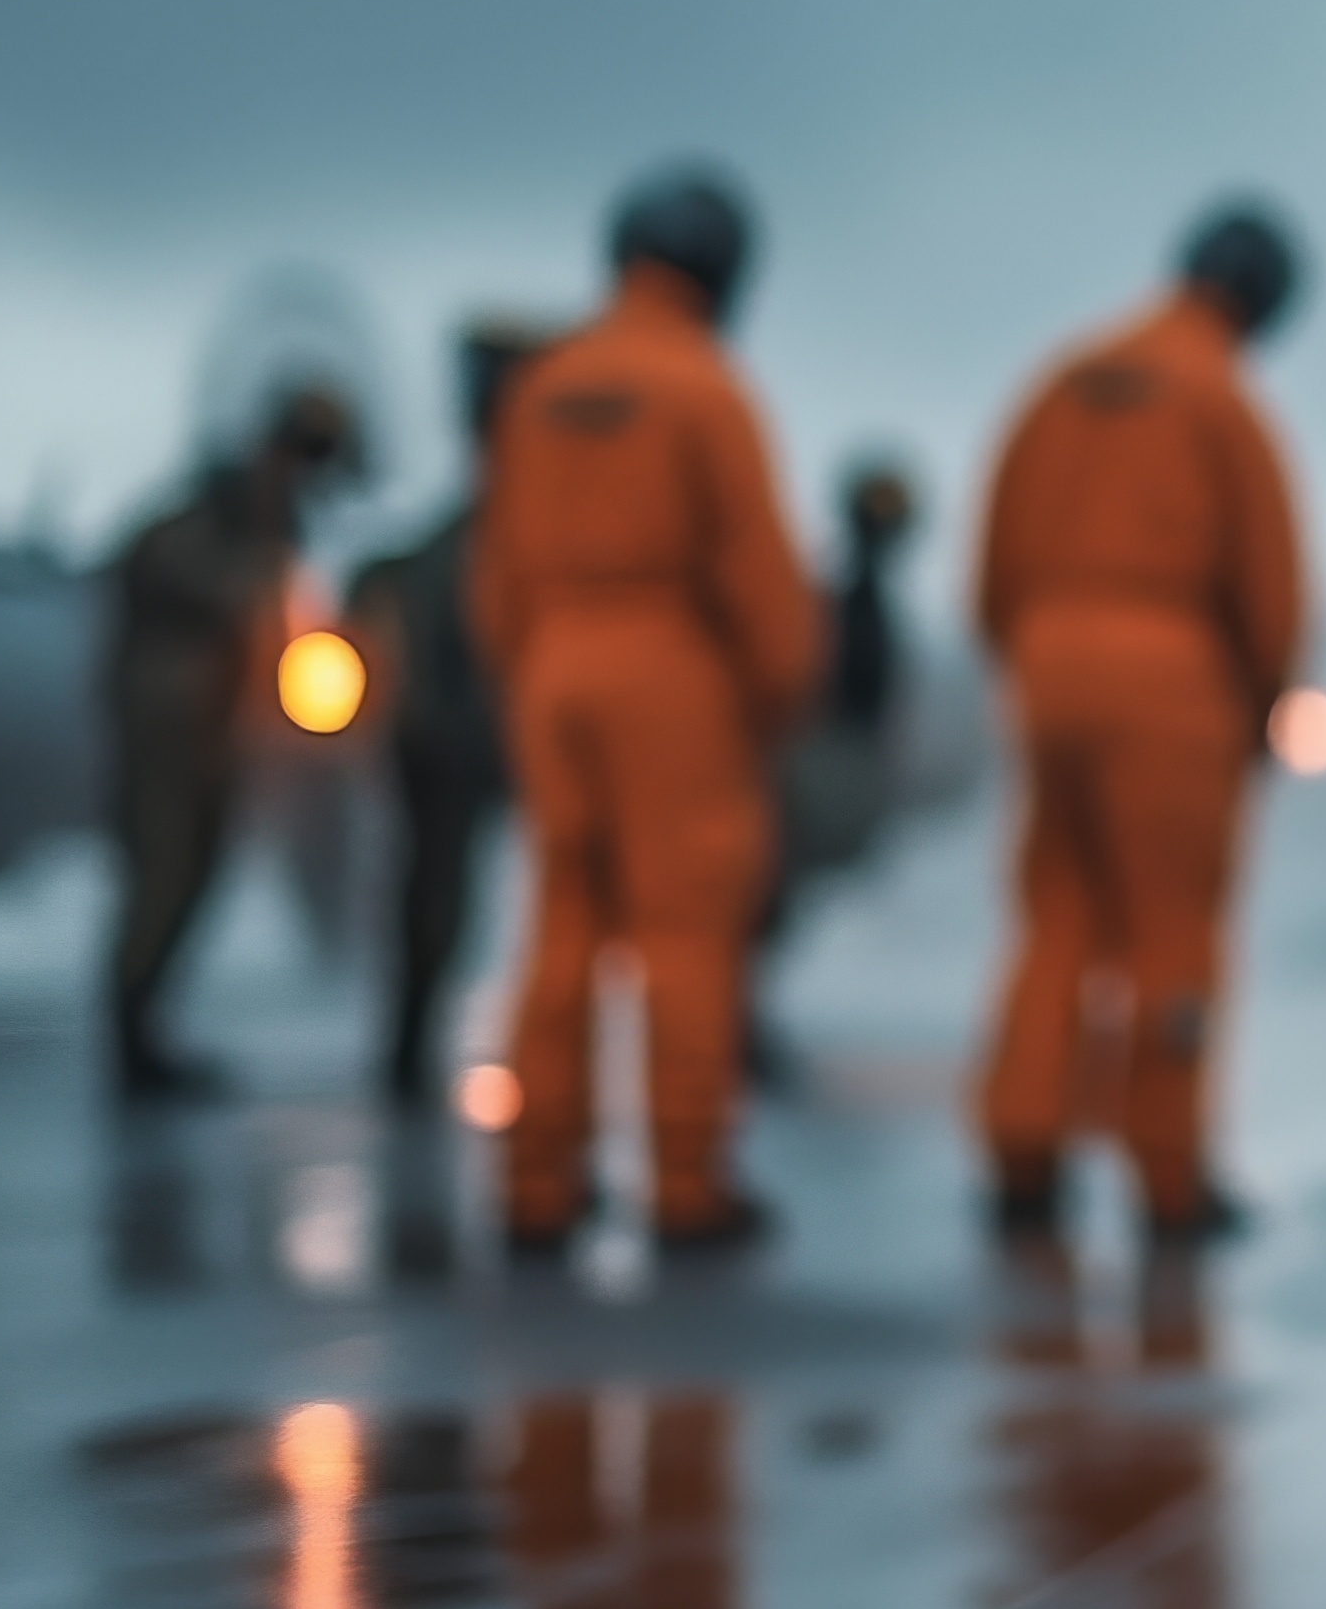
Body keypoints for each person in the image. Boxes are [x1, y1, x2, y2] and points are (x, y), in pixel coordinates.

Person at [475, 164, 822, 1255]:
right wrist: (777, 690)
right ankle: (685, 1180)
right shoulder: (703, 389)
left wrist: (533, 666)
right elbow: (755, 568)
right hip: (670, 675)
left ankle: (536, 1180)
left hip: (553, 668)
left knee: (562, 929)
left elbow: (495, 572)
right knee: (683, 936)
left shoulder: (541, 387)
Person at [973, 203, 1306, 1241]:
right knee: (1172, 931)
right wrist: (1261, 707)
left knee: (1057, 916)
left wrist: (1030, 661)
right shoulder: (1220, 401)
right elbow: (1268, 586)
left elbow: (995, 555)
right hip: (1171, 684)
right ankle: (1167, 1177)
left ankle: (1022, 1155)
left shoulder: (1064, 380)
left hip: (1047, 669)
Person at [100, 377, 360, 1100]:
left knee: (192, 877)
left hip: (211, 731)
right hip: (172, 734)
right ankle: (132, 1040)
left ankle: (146, 1031)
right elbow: (210, 596)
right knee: (164, 878)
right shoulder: (192, 536)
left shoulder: (254, 530)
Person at [347, 318, 549, 1108]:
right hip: (454, 736)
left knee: (458, 900)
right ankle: (410, 1048)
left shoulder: (490, 536)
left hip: (472, 732)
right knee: (438, 901)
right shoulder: (470, 541)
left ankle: (416, 1048)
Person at [748, 448, 932, 1089]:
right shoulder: (840, 607)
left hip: (820, 772)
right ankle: (730, 1030)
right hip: (812, 773)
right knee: (759, 904)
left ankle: (737, 1025)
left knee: (767, 907)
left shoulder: (848, 603)